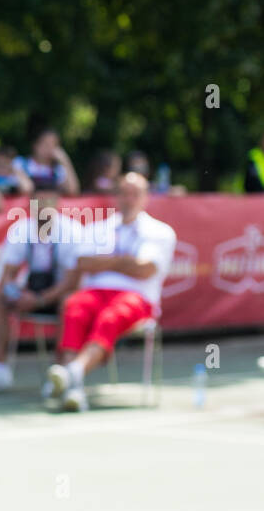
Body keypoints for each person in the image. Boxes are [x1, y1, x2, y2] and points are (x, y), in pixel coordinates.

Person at [46, 173, 175, 412]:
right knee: (74, 307)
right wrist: (124, 261)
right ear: (116, 197)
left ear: (145, 198)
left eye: (135, 194)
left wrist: (106, 262)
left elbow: (145, 269)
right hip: (95, 293)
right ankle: (72, 386)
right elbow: (83, 262)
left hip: (137, 298)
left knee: (110, 317)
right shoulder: (98, 227)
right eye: (124, 193)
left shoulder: (160, 231)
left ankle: (71, 374)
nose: (129, 199)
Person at [0, 191, 83, 394]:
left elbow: (71, 281)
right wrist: (15, 294)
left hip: (59, 294)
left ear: (56, 204)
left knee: (70, 303)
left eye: (47, 202)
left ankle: (60, 371)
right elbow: (7, 275)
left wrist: (38, 300)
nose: (42, 208)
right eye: (38, 203)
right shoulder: (21, 230)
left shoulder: (72, 232)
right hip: (32, 293)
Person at [14, 127, 80, 195]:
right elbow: (26, 189)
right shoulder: (20, 164)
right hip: (30, 205)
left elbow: (73, 191)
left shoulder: (57, 169)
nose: (49, 148)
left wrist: (65, 161)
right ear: (35, 145)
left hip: (50, 205)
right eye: (46, 144)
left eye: (54, 145)